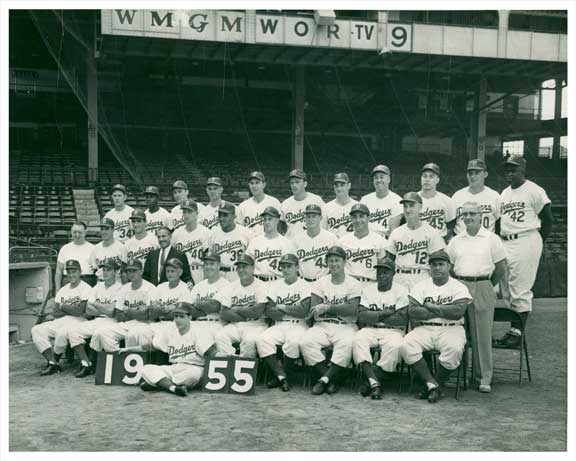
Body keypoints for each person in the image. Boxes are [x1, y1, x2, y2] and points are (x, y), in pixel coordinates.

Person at [447, 202, 507, 393]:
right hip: (461, 286)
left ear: (481, 216)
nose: (468, 217)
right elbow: (449, 267)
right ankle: (460, 376)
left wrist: (487, 285)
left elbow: (500, 268)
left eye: (472, 213)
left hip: (483, 285)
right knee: (458, 333)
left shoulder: (491, 238)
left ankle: (483, 378)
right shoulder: (456, 240)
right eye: (465, 214)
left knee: (481, 335)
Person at [496, 155, 553, 348]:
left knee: (520, 289)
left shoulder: (534, 190)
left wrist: (535, 242)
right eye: (508, 170)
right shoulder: (504, 194)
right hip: (506, 241)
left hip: (526, 239)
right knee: (506, 289)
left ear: (523, 170)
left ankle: (517, 333)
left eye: (514, 169)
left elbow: (548, 219)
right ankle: (514, 329)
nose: (510, 173)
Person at [400, 250, 472, 403]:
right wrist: (441, 310)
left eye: (441, 264)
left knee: (454, 348)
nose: (437, 268)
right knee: (406, 344)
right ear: (430, 268)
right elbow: (412, 311)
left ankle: (434, 384)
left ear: (449, 266)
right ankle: (432, 385)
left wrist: (430, 306)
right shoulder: (421, 286)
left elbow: (457, 312)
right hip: (425, 328)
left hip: (451, 328)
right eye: (434, 265)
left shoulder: (458, 287)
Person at [120, 302, 217, 397]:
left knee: (193, 375)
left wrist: (227, 356)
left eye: (181, 316)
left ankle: (160, 384)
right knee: (146, 369)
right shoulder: (170, 331)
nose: (178, 320)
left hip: (193, 368)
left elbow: (211, 352)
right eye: (176, 316)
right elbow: (152, 346)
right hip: (174, 367)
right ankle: (173, 388)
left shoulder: (198, 332)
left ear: (190, 317)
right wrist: (130, 349)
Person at [299, 246, 361, 395]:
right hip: (323, 325)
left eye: (337, 260)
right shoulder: (321, 282)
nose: (334, 264)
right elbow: (315, 309)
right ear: (327, 262)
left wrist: (327, 307)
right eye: (331, 261)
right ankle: (331, 379)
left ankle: (323, 381)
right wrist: (337, 308)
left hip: (345, 325)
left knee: (346, 344)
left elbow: (351, 309)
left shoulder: (354, 283)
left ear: (344, 262)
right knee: (305, 342)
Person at [353, 257, 408, 399]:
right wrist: (386, 313)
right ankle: (375, 383)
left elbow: (401, 319)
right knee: (358, 339)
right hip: (371, 328)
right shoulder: (368, 290)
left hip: (393, 330)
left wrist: (374, 315)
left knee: (395, 346)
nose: (381, 275)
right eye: (379, 272)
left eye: (385, 272)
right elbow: (362, 316)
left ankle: (371, 380)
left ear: (393, 273)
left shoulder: (401, 291)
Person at [256, 254, 312, 392]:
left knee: (293, 343)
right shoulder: (275, 286)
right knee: (262, 339)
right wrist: (292, 309)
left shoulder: (305, 285)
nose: (286, 270)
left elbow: (303, 312)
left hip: (299, 324)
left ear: (297, 267)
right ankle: (282, 377)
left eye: (289, 266)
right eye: (283, 267)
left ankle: (282, 376)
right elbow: (269, 311)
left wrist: (282, 307)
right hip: (280, 324)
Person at [31, 260, 92, 375]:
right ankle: (52, 362)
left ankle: (55, 360)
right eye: (69, 272)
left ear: (80, 272)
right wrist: (71, 308)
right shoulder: (63, 290)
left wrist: (64, 306)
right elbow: (55, 313)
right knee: (37, 329)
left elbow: (80, 311)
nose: (71, 275)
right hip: (61, 320)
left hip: (80, 321)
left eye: (74, 271)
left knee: (63, 332)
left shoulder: (86, 288)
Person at [64, 260, 123, 378]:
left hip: (113, 321)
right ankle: (86, 363)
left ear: (116, 272)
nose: (105, 272)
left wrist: (96, 304)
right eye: (103, 269)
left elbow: (112, 311)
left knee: (98, 333)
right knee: (72, 331)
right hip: (97, 319)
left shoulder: (120, 288)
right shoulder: (98, 286)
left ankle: (90, 365)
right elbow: (88, 309)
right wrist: (103, 308)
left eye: (109, 270)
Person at [90, 259, 155, 352]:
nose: (131, 274)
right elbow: (118, 314)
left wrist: (128, 311)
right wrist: (137, 312)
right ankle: (117, 356)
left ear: (141, 271)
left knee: (132, 335)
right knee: (102, 332)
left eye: (134, 271)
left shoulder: (150, 288)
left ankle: (138, 361)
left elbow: (148, 314)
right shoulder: (125, 288)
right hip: (127, 323)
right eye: (129, 271)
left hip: (145, 324)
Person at [387, 192, 446, 290]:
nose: (408, 210)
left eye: (411, 206)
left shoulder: (431, 232)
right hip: (400, 276)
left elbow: (438, 260)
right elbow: (389, 260)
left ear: (420, 207)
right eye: (405, 207)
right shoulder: (396, 232)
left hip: (422, 276)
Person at [214, 254, 268, 358]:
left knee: (249, 341)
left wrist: (237, 309)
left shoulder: (262, 286)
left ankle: (247, 369)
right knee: (220, 337)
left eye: (245, 267)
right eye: (239, 267)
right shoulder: (231, 286)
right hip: (236, 324)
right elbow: (223, 313)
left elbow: (258, 311)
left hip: (256, 325)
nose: (241, 270)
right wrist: (247, 314)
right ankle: (231, 363)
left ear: (253, 268)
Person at [338, 203, 388, 286]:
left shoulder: (379, 240)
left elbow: (382, 268)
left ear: (368, 218)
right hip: (349, 284)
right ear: (351, 219)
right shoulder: (343, 241)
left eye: (361, 216)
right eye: (354, 217)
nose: (358, 220)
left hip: (370, 283)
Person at [245, 206, 296, 282]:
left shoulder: (286, 243)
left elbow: (292, 269)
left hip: (278, 282)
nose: (267, 222)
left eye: (270, 219)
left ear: (277, 220)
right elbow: (247, 264)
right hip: (258, 282)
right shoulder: (255, 242)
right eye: (265, 219)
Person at [147, 258, 194, 340]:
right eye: (167, 271)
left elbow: (183, 313)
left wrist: (161, 309)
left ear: (180, 272)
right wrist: (169, 308)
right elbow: (151, 310)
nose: (169, 274)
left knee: (160, 337)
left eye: (172, 271)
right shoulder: (161, 287)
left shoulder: (185, 288)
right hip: (158, 323)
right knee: (142, 333)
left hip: (175, 325)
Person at [187, 252, 229, 341]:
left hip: (216, 324)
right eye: (206, 264)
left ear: (219, 265)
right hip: (197, 323)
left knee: (201, 335)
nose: (208, 267)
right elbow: (190, 310)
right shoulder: (198, 286)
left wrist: (197, 303)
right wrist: (206, 307)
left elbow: (215, 306)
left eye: (212, 264)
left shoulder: (226, 285)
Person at [451, 159, 500, 235]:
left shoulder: (494, 196)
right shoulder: (457, 196)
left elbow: (499, 224)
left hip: (486, 241)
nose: (473, 176)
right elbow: (451, 223)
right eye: (470, 173)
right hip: (462, 241)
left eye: (477, 173)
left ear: (485, 174)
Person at [208, 201, 252, 282]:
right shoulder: (213, 233)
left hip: (238, 273)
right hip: (219, 274)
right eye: (220, 215)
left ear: (234, 216)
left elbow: (252, 259)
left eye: (225, 215)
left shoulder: (246, 233)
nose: (221, 218)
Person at [293, 204, 338, 282]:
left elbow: (338, 262)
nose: (311, 219)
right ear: (305, 218)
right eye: (308, 217)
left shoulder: (331, 238)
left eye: (314, 216)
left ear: (320, 218)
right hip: (303, 282)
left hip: (324, 281)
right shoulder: (296, 239)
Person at [171, 199, 210, 284]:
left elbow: (208, 259)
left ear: (196, 213)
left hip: (199, 271)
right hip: (181, 273)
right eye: (184, 212)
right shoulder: (176, 233)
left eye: (190, 212)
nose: (186, 215)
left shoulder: (206, 232)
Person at [360, 165, 403, 238]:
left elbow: (393, 232)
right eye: (376, 178)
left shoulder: (397, 200)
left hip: (385, 239)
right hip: (366, 239)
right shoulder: (365, 200)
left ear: (388, 179)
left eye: (381, 177)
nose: (379, 180)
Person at [236, 171, 282, 238]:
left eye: (257, 183)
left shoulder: (274, 202)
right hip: (250, 245)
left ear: (264, 184)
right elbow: (239, 231)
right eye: (252, 183)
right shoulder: (242, 206)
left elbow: (279, 227)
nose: (254, 186)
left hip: (270, 244)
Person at [280, 169, 324, 239]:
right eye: (292, 183)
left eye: (297, 182)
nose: (294, 185)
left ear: (305, 184)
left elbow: (324, 222)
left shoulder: (316, 200)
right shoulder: (285, 204)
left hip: (311, 243)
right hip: (292, 245)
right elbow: (280, 227)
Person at [418, 163, 455, 241]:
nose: (427, 179)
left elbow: (451, 226)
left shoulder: (446, 201)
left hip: (440, 243)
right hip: (418, 243)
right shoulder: (414, 199)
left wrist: (439, 242)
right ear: (421, 178)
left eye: (431, 176)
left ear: (437, 180)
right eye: (424, 176)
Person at [54, 221, 96, 291]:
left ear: (85, 232)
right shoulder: (65, 248)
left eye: (80, 232)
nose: (77, 235)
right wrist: (57, 290)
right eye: (74, 232)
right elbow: (58, 271)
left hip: (87, 282)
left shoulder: (93, 248)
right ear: (71, 232)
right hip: (68, 282)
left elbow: (98, 272)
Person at [92, 218, 127, 282]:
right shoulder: (96, 248)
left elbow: (124, 272)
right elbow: (95, 270)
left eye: (107, 229)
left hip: (116, 283)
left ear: (113, 230)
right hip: (101, 283)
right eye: (102, 229)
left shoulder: (121, 247)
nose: (104, 232)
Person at [323, 172, 358, 237]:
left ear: (349, 185)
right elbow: (323, 232)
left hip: (352, 245)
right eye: (337, 185)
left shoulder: (357, 206)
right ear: (334, 187)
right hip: (333, 245)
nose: (339, 188)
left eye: (342, 185)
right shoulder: (326, 208)